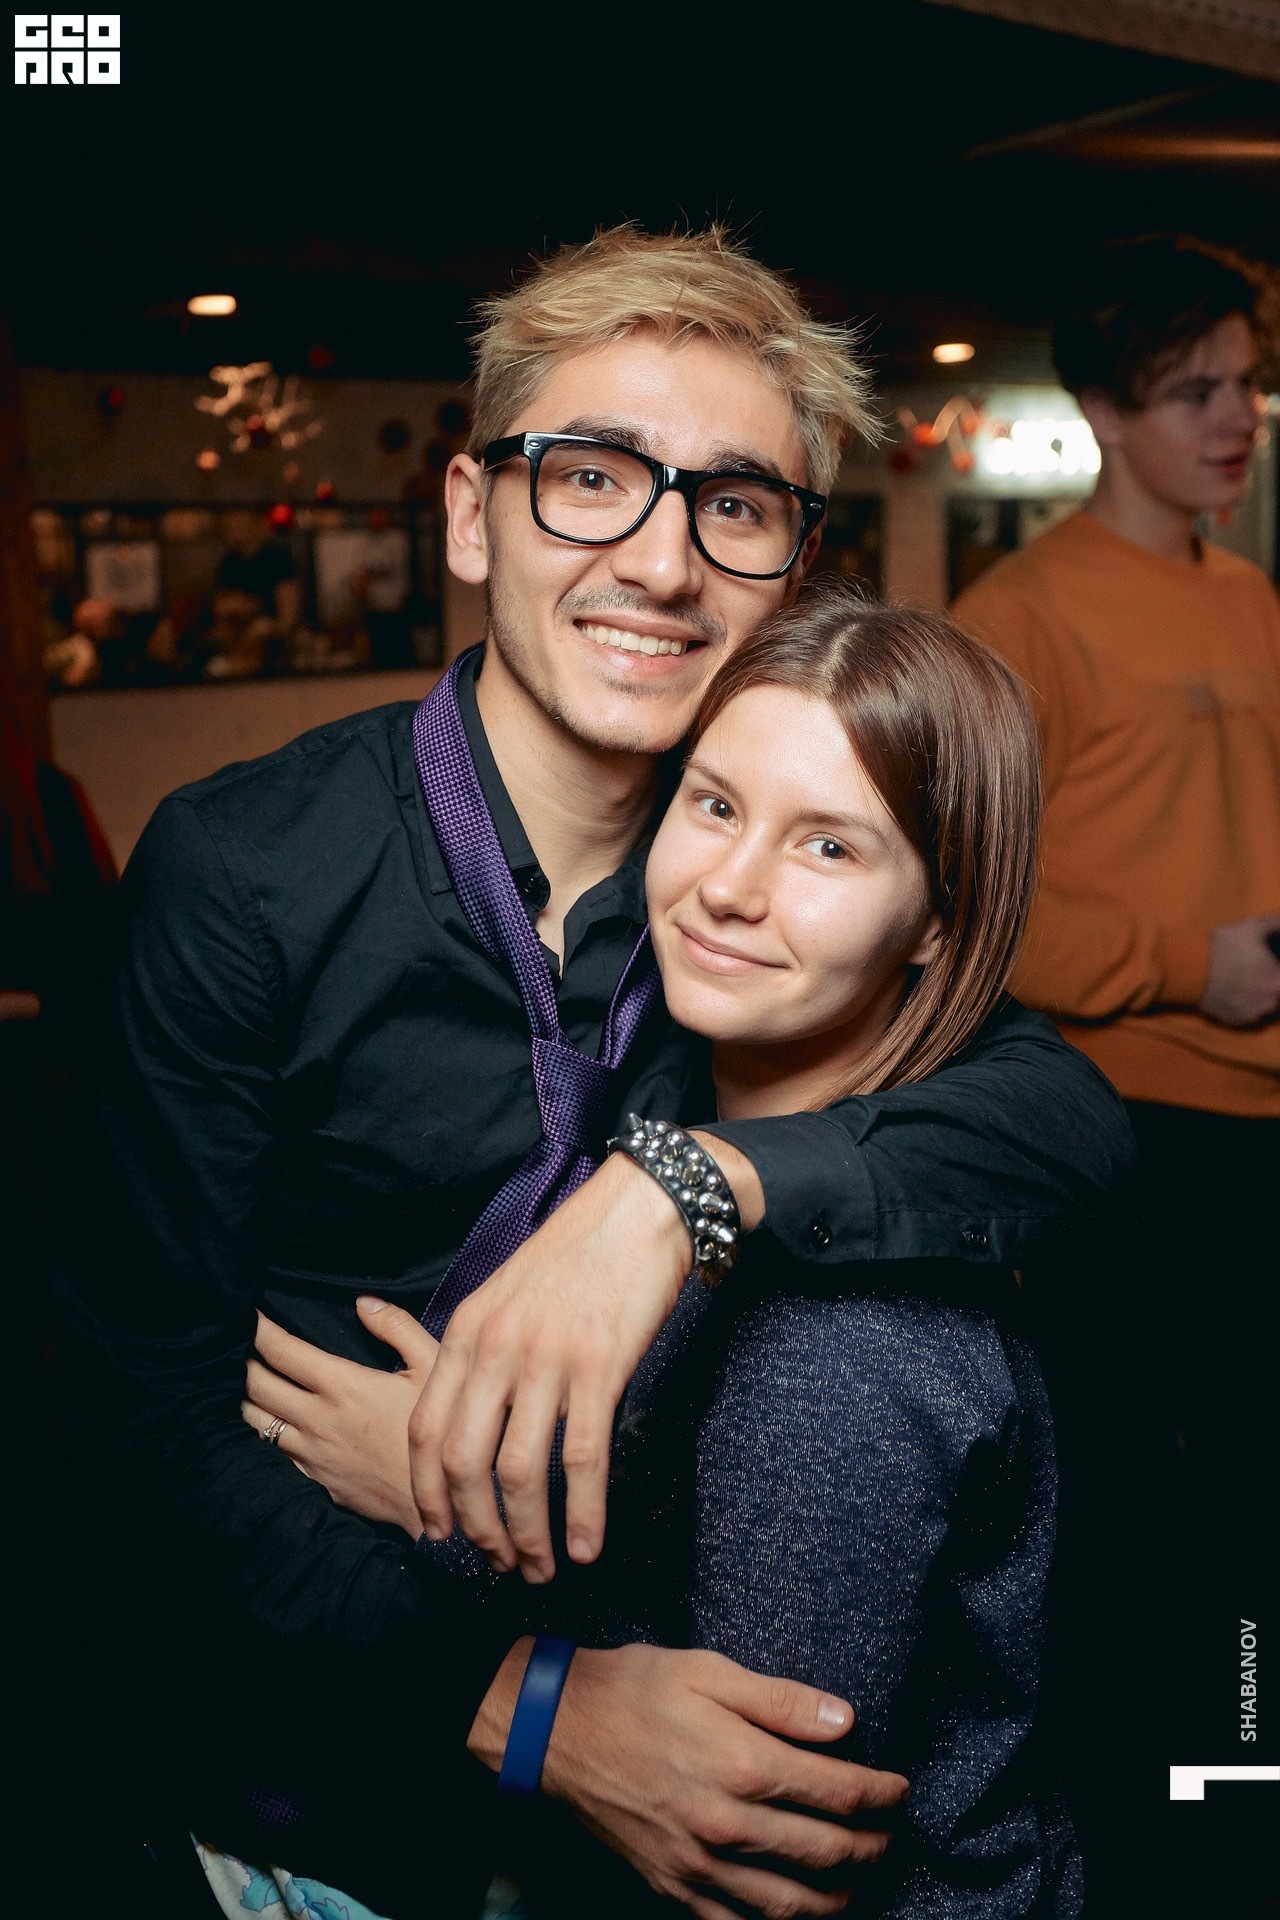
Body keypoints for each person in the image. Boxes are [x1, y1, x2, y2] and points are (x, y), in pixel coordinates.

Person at [55, 227, 1133, 1920]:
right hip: (304, 1814)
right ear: (473, 516)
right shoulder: (244, 875)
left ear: (795, 571)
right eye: (591, 479)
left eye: (734, 504)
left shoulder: (752, 917)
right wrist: (531, 1702)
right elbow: (123, 1434)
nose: (661, 560)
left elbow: (1063, 1122)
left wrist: (674, 1194)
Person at [245, 589, 1084, 1916]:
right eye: (715, 804)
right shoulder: (661, 1102)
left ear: (938, 919)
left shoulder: (841, 1345)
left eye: (829, 846)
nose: (730, 890)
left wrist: (449, 1498)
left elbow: (743, 1823)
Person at [950, 236, 1280, 1909]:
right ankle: (1138, 1847)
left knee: (1248, 1516)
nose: (1238, 420)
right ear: (1103, 409)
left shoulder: (1248, 594)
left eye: (1250, 385)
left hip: (1261, 1122)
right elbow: (971, 904)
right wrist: (1182, 962)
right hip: (1120, 1129)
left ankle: (1235, 1801)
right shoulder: (1017, 619)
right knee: (1135, 1526)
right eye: (1194, 390)